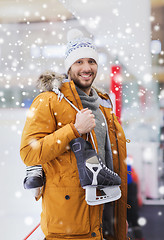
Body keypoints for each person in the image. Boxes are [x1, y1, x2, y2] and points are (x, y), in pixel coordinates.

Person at [20, 28, 128, 240]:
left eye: (91, 61)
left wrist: (118, 214)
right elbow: (29, 153)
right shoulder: (49, 101)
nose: (86, 68)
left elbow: (111, 161)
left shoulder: (103, 105)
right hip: (69, 226)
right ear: (68, 67)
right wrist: (74, 130)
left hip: (105, 216)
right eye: (79, 62)